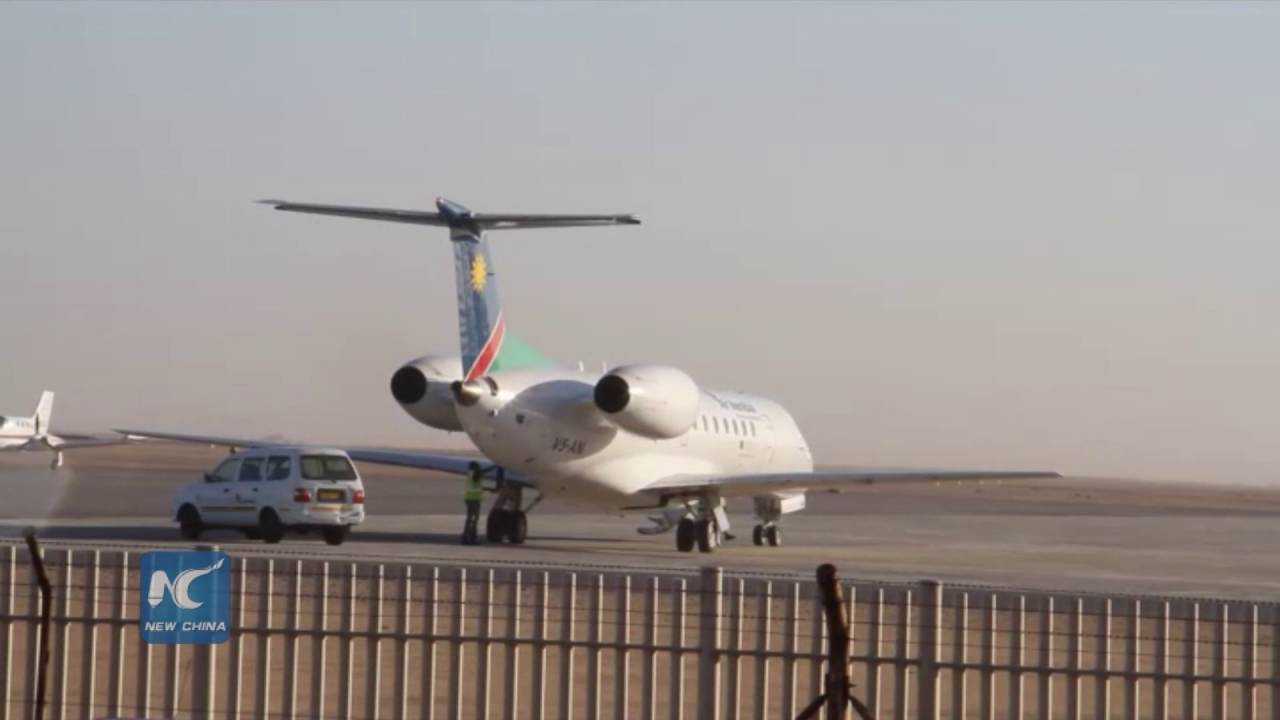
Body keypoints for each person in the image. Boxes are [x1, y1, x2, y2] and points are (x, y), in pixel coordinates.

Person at [462, 461, 484, 544]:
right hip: (474, 499)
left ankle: (466, 537)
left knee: (469, 519)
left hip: (469, 499)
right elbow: (477, 484)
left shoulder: (470, 475)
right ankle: (472, 538)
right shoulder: (476, 475)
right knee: (474, 519)